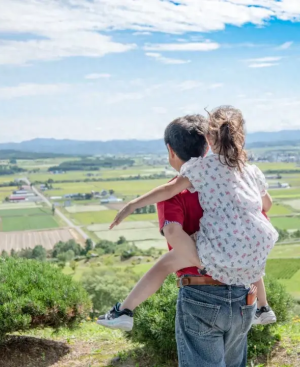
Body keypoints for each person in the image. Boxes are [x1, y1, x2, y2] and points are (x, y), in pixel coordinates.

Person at [97, 106, 278, 333]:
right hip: (258, 243)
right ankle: (263, 308)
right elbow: (267, 205)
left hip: (211, 270)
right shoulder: (249, 170)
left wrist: (133, 204)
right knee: (249, 257)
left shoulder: (200, 170)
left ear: (209, 141)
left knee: (164, 264)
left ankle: (124, 310)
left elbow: (169, 198)